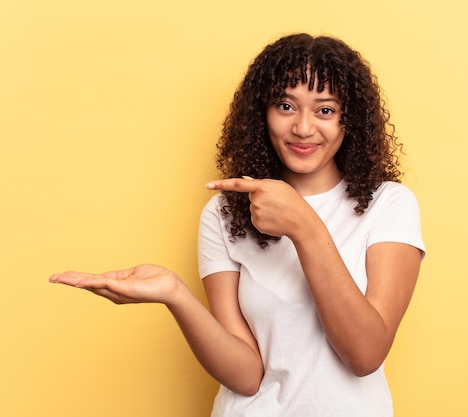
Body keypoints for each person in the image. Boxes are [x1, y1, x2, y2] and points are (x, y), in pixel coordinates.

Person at [49, 33, 426, 417]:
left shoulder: (388, 204)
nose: (303, 127)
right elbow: (246, 377)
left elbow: (365, 355)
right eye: (285, 105)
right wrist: (176, 295)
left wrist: (304, 226)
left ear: (352, 119)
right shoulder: (224, 213)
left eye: (325, 110)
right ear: (261, 113)